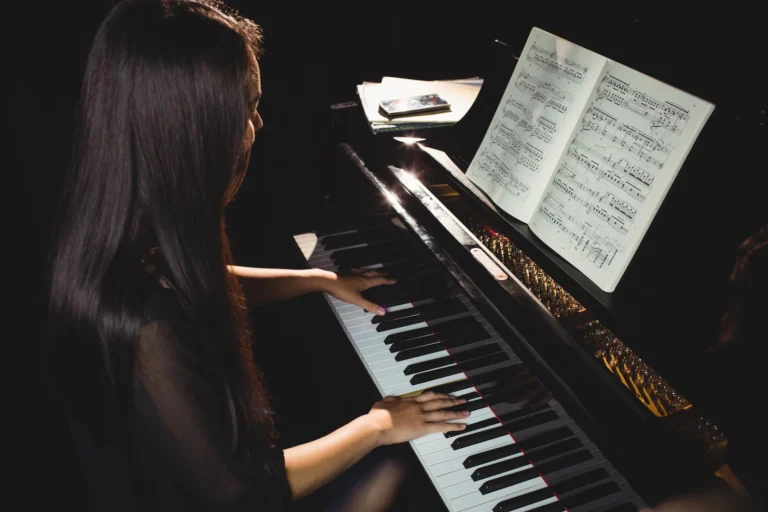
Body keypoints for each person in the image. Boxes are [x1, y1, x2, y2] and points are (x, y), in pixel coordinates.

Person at [44, 1, 470, 510]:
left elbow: (198, 284)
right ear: (191, 132)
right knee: (406, 470)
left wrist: (315, 279)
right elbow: (243, 492)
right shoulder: (145, 327)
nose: (259, 124)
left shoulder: (120, 231)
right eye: (247, 107)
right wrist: (376, 425)